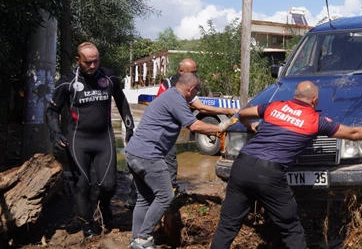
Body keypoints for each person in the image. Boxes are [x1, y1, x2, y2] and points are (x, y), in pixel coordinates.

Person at [209, 80, 362, 249]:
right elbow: (353, 133)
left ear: (295, 96)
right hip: (269, 175)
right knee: (291, 228)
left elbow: (243, 112)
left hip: (241, 167)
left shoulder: (274, 107)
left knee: (227, 226)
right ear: (314, 100)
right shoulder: (314, 120)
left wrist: (250, 127)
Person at [125, 72, 231, 249]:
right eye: (197, 91)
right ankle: (142, 239)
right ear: (191, 89)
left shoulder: (169, 95)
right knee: (166, 195)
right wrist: (220, 127)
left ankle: (136, 240)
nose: (196, 95)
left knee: (144, 199)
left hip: (134, 152)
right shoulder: (177, 100)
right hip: (149, 155)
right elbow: (195, 126)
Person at [45, 42, 136, 237]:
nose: (93, 66)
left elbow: (122, 102)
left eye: (96, 61)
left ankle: (104, 207)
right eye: (88, 62)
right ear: (78, 60)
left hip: (104, 139)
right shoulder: (67, 82)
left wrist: (129, 127)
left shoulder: (109, 77)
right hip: (78, 140)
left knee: (109, 185)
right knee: (82, 186)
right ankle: (87, 227)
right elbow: (52, 110)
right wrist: (55, 133)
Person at [125, 58, 236, 208]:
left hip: (164, 133)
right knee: (161, 166)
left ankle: (156, 199)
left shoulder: (184, 84)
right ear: (181, 71)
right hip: (159, 134)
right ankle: (160, 201)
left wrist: (227, 111)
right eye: (193, 72)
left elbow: (200, 107)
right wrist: (221, 126)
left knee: (154, 167)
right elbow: (195, 118)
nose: (195, 75)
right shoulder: (173, 85)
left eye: (196, 72)